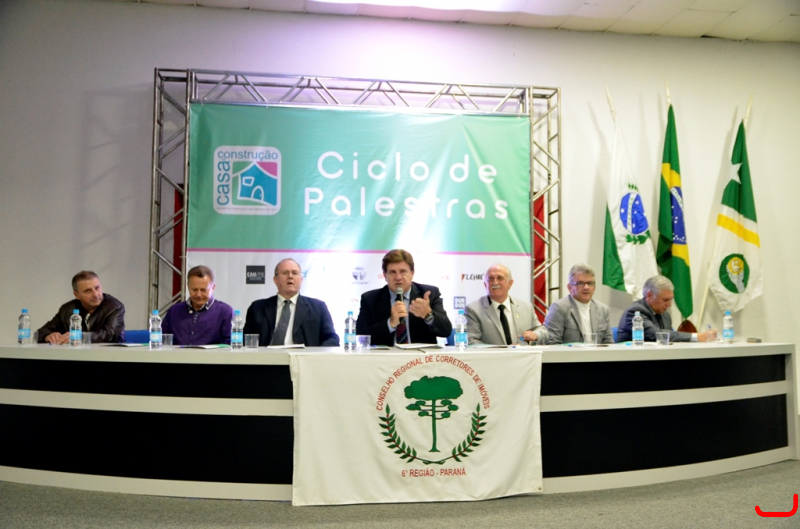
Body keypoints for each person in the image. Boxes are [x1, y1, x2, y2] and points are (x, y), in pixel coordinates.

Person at [356, 249, 452, 346]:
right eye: (392, 272)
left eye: (403, 271)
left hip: (419, 355)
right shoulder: (370, 299)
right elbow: (361, 335)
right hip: (386, 355)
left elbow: (446, 331)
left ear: (412, 273)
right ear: (385, 275)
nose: (398, 277)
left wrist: (428, 314)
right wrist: (390, 323)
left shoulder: (429, 294)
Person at [243, 258, 339, 346]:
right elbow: (245, 340)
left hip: (302, 358)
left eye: (295, 273)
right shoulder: (257, 308)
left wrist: (315, 355)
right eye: (285, 273)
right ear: (275, 280)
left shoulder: (318, 308)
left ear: (301, 279)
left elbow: (332, 338)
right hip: (267, 358)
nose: (290, 276)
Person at [617, 275, 716, 343]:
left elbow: (671, 337)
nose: (669, 305)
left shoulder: (664, 314)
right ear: (649, 295)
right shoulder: (635, 312)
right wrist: (697, 337)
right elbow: (657, 335)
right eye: (665, 300)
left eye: (670, 300)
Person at [466, 263, 548, 345]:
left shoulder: (526, 307)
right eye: (490, 279)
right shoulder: (474, 309)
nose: (495, 283)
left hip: (522, 353)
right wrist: (502, 350)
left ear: (510, 283)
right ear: (485, 284)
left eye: (500, 278)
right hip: (492, 354)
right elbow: (472, 341)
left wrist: (535, 335)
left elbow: (543, 332)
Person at [37, 271, 125, 344]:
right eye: (88, 291)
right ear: (76, 295)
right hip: (75, 356)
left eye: (97, 288)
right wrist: (47, 336)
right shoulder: (67, 309)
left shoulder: (114, 307)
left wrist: (81, 337)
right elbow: (41, 332)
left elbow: (110, 334)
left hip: (107, 356)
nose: (95, 294)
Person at [161, 265, 233, 345]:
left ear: (213, 287)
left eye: (203, 290)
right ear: (188, 287)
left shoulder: (225, 312)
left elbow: (229, 345)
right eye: (194, 290)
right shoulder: (174, 311)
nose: (198, 294)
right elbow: (162, 341)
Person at [543, 264, 613, 344]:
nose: (586, 287)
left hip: (597, 352)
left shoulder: (603, 310)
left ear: (594, 287)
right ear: (569, 287)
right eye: (580, 283)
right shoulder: (559, 308)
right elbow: (552, 343)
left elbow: (608, 344)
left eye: (590, 283)